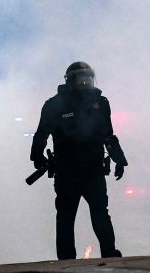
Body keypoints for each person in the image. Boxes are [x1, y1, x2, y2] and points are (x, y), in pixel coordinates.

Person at [30, 61, 129, 260]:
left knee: (100, 212)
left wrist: (119, 159)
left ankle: (109, 252)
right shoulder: (54, 105)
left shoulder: (101, 103)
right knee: (66, 217)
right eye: (81, 79)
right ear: (70, 81)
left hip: (93, 169)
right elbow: (41, 134)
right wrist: (37, 157)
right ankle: (66, 259)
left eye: (88, 79)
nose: (85, 83)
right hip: (67, 171)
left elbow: (108, 135)